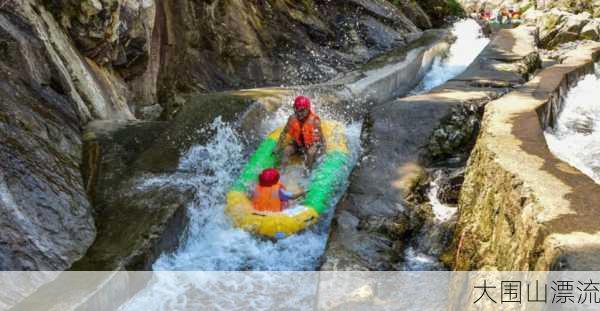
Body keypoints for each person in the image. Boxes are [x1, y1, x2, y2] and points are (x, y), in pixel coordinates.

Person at [274, 96, 325, 171]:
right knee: (286, 150)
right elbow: (284, 133)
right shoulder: (292, 118)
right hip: (299, 144)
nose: (298, 113)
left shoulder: (314, 121)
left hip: (311, 144)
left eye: (302, 110)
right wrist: (278, 146)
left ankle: (307, 173)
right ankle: (282, 172)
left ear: (308, 109)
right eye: (296, 110)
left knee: (310, 153)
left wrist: (322, 153)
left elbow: (321, 139)